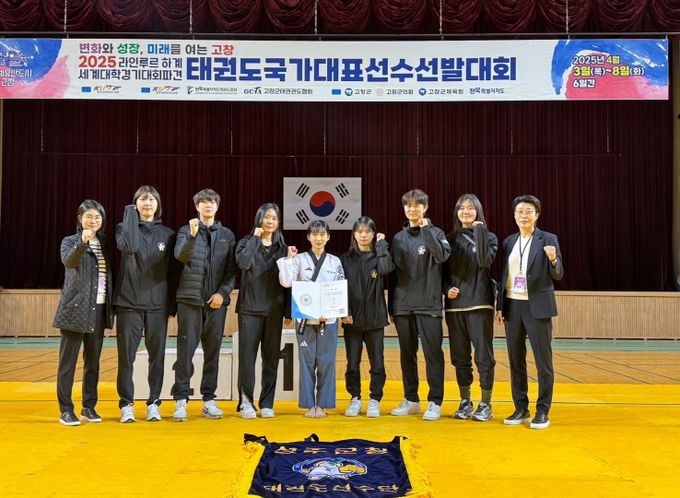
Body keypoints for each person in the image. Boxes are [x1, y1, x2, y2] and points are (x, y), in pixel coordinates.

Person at [496, 194, 564, 430]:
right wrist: (500, 305)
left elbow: (558, 274)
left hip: (538, 307)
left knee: (543, 362)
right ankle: (521, 408)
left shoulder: (548, 239)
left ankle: (542, 410)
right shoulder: (509, 241)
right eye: (519, 212)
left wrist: (553, 259)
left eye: (528, 211)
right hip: (513, 306)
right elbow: (504, 275)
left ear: (537, 215)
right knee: (516, 361)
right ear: (514, 215)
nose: (523, 215)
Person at [171, 188, 237, 421]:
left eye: (212, 202)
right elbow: (180, 256)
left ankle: (208, 400)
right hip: (190, 302)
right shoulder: (185, 230)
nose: (208, 205)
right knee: (185, 354)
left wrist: (222, 293)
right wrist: (191, 235)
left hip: (216, 304)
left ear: (217, 206)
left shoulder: (227, 235)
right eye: (204, 202)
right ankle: (180, 400)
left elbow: (232, 271)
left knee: (213, 354)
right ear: (197, 206)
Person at [114, 186, 176, 423]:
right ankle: (126, 404)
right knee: (126, 358)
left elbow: (173, 272)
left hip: (158, 305)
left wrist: (171, 305)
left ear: (158, 204)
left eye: (151, 199)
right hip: (129, 303)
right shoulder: (123, 228)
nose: (147, 203)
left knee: (156, 358)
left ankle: (154, 403)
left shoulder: (168, 235)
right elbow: (129, 246)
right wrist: (129, 215)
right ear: (135, 204)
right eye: (142, 199)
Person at [389, 189, 451, 421]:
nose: (412, 209)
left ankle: (435, 402)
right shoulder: (398, 238)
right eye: (408, 205)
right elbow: (393, 274)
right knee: (407, 354)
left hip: (429, 305)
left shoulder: (437, 233)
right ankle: (411, 399)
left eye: (417, 205)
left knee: (433, 354)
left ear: (425, 207)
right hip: (403, 305)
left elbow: (442, 256)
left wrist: (427, 230)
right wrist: (392, 307)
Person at [53, 200, 114, 426]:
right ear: (80, 219)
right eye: (89, 217)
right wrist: (82, 242)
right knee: (67, 364)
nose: (93, 221)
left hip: (98, 309)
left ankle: (89, 406)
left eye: (98, 217)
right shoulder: (70, 241)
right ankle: (66, 410)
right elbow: (69, 261)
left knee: (93, 362)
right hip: (75, 310)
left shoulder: (104, 244)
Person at [277, 220, 345, 418]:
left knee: (327, 362)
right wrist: (289, 259)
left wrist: (331, 311)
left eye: (322, 234)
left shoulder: (335, 261)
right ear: (308, 237)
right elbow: (286, 282)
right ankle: (308, 404)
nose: (318, 238)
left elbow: (339, 289)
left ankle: (322, 404)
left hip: (328, 320)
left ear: (328, 237)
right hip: (305, 320)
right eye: (315, 234)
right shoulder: (299, 260)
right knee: (306, 362)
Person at [443, 194, 498, 422]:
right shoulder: (448, 239)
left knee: (483, 355)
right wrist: (447, 289)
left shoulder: (489, 237)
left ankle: (486, 403)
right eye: (461, 208)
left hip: (480, 304)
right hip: (455, 307)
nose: (465, 212)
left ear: (478, 211)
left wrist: (479, 232)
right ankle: (465, 401)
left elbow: (485, 260)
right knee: (459, 357)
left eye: (470, 208)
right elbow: (441, 272)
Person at [235, 203, 291, 419]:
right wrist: (255, 239)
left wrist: (288, 312)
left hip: (274, 310)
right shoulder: (245, 242)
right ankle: (246, 402)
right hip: (249, 309)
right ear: (259, 219)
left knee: (271, 358)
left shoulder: (284, 249)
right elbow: (243, 263)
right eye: (267, 217)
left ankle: (267, 402)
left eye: (274, 218)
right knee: (247, 358)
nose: (270, 221)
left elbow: (288, 283)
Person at [340, 217, 393, 418]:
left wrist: (381, 245)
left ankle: (374, 399)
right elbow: (340, 288)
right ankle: (355, 398)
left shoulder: (379, 256)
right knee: (352, 363)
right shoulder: (345, 259)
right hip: (351, 321)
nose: (363, 235)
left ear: (373, 234)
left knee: (377, 363)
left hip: (375, 319)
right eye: (360, 231)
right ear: (354, 234)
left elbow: (386, 269)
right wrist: (344, 312)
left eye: (368, 231)